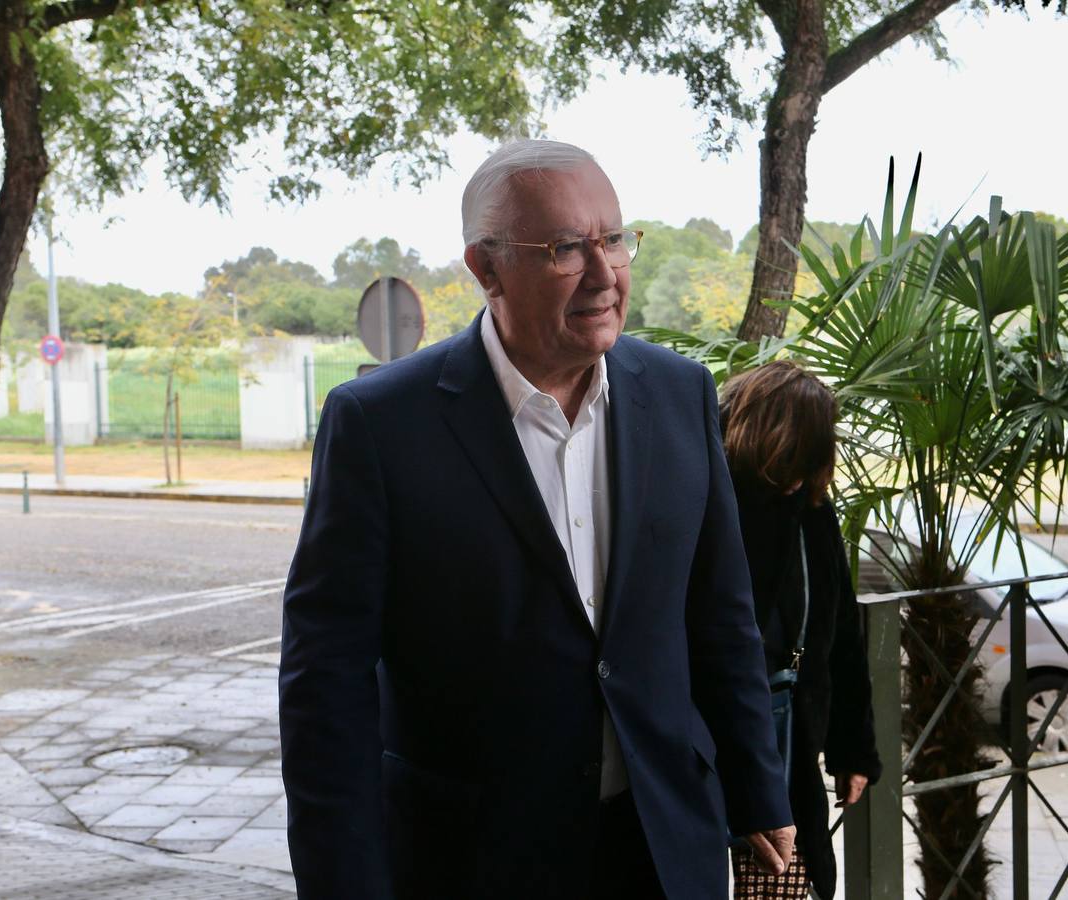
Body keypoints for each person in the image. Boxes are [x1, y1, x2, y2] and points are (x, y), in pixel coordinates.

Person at [279, 139, 795, 899]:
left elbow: (721, 615)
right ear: (486, 269)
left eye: (613, 239)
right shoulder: (381, 424)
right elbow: (326, 681)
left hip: (661, 845)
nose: (603, 273)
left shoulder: (680, 393)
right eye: (563, 248)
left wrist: (758, 789)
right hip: (473, 858)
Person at [719, 361, 882, 900]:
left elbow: (839, 633)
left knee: (784, 880)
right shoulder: (706, 501)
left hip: (787, 751)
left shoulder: (811, 511)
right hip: (704, 749)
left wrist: (852, 749)